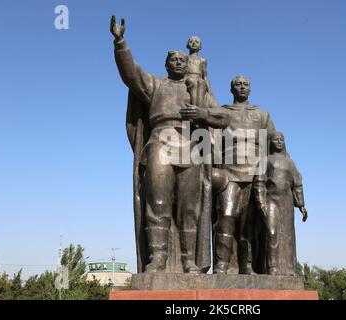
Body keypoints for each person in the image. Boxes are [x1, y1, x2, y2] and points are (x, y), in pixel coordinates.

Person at [110, 16, 230, 274]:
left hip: (191, 147)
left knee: (189, 208)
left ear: (188, 65)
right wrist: (120, 42)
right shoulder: (155, 84)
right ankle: (158, 259)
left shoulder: (198, 90)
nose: (178, 62)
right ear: (166, 64)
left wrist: (201, 114)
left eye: (182, 60)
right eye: (173, 60)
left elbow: (224, 117)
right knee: (159, 204)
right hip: (161, 143)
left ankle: (189, 261)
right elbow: (130, 73)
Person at [213, 75, 275, 274]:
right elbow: (211, 143)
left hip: (254, 175)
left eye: (245, 84)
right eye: (237, 84)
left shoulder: (262, 115)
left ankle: (246, 265)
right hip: (228, 174)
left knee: (249, 225)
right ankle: (221, 264)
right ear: (231, 89)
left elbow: (272, 145)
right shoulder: (222, 112)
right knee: (226, 216)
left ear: (250, 89)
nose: (242, 87)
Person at [253, 132, 308, 275]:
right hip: (270, 201)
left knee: (288, 235)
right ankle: (272, 267)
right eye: (276, 139)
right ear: (270, 142)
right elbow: (259, 183)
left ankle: (289, 268)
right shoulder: (265, 160)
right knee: (272, 232)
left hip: (287, 202)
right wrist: (261, 203)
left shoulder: (290, 162)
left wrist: (301, 205)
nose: (279, 142)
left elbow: (297, 184)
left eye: (281, 140)